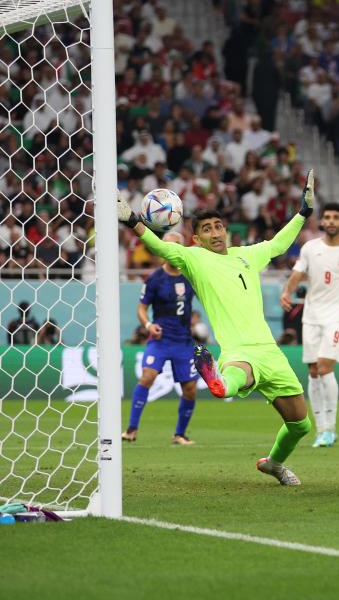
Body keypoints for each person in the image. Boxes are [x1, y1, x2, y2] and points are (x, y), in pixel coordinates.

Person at [116, 171, 316, 486]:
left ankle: (274, 465)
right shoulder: (194, 259)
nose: (215, 232)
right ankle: (220, 382)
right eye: (207, 229)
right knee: (237, 376)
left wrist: (304, 212)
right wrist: (132, 223)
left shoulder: (248, 255)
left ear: (227, 231)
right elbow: (163, 249)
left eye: (219, 226)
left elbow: (279, 244)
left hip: (270, 351)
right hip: (238, 351)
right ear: (196, 239)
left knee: (301, 424)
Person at [280, 202, 339, 448]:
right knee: (314, 371)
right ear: (321, 221)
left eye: (336, 217)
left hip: (337, 316)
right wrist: (287, 291)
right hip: (312, 315)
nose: (330, 221)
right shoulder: (309, 248)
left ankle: (330, 428)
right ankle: (321, 429)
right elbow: (297, 273)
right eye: (327, 217)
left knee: (326, 367)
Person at [122, 232, 200, 445]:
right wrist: (148, 325)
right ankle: (131, 429)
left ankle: (180, 434)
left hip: (184, 342)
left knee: (190, 389)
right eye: (166, 247)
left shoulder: (191, 275)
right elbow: (141, 307)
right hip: (160, 340)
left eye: (175, 247)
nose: (170, 251)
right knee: (147, 377)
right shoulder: (155, 278)